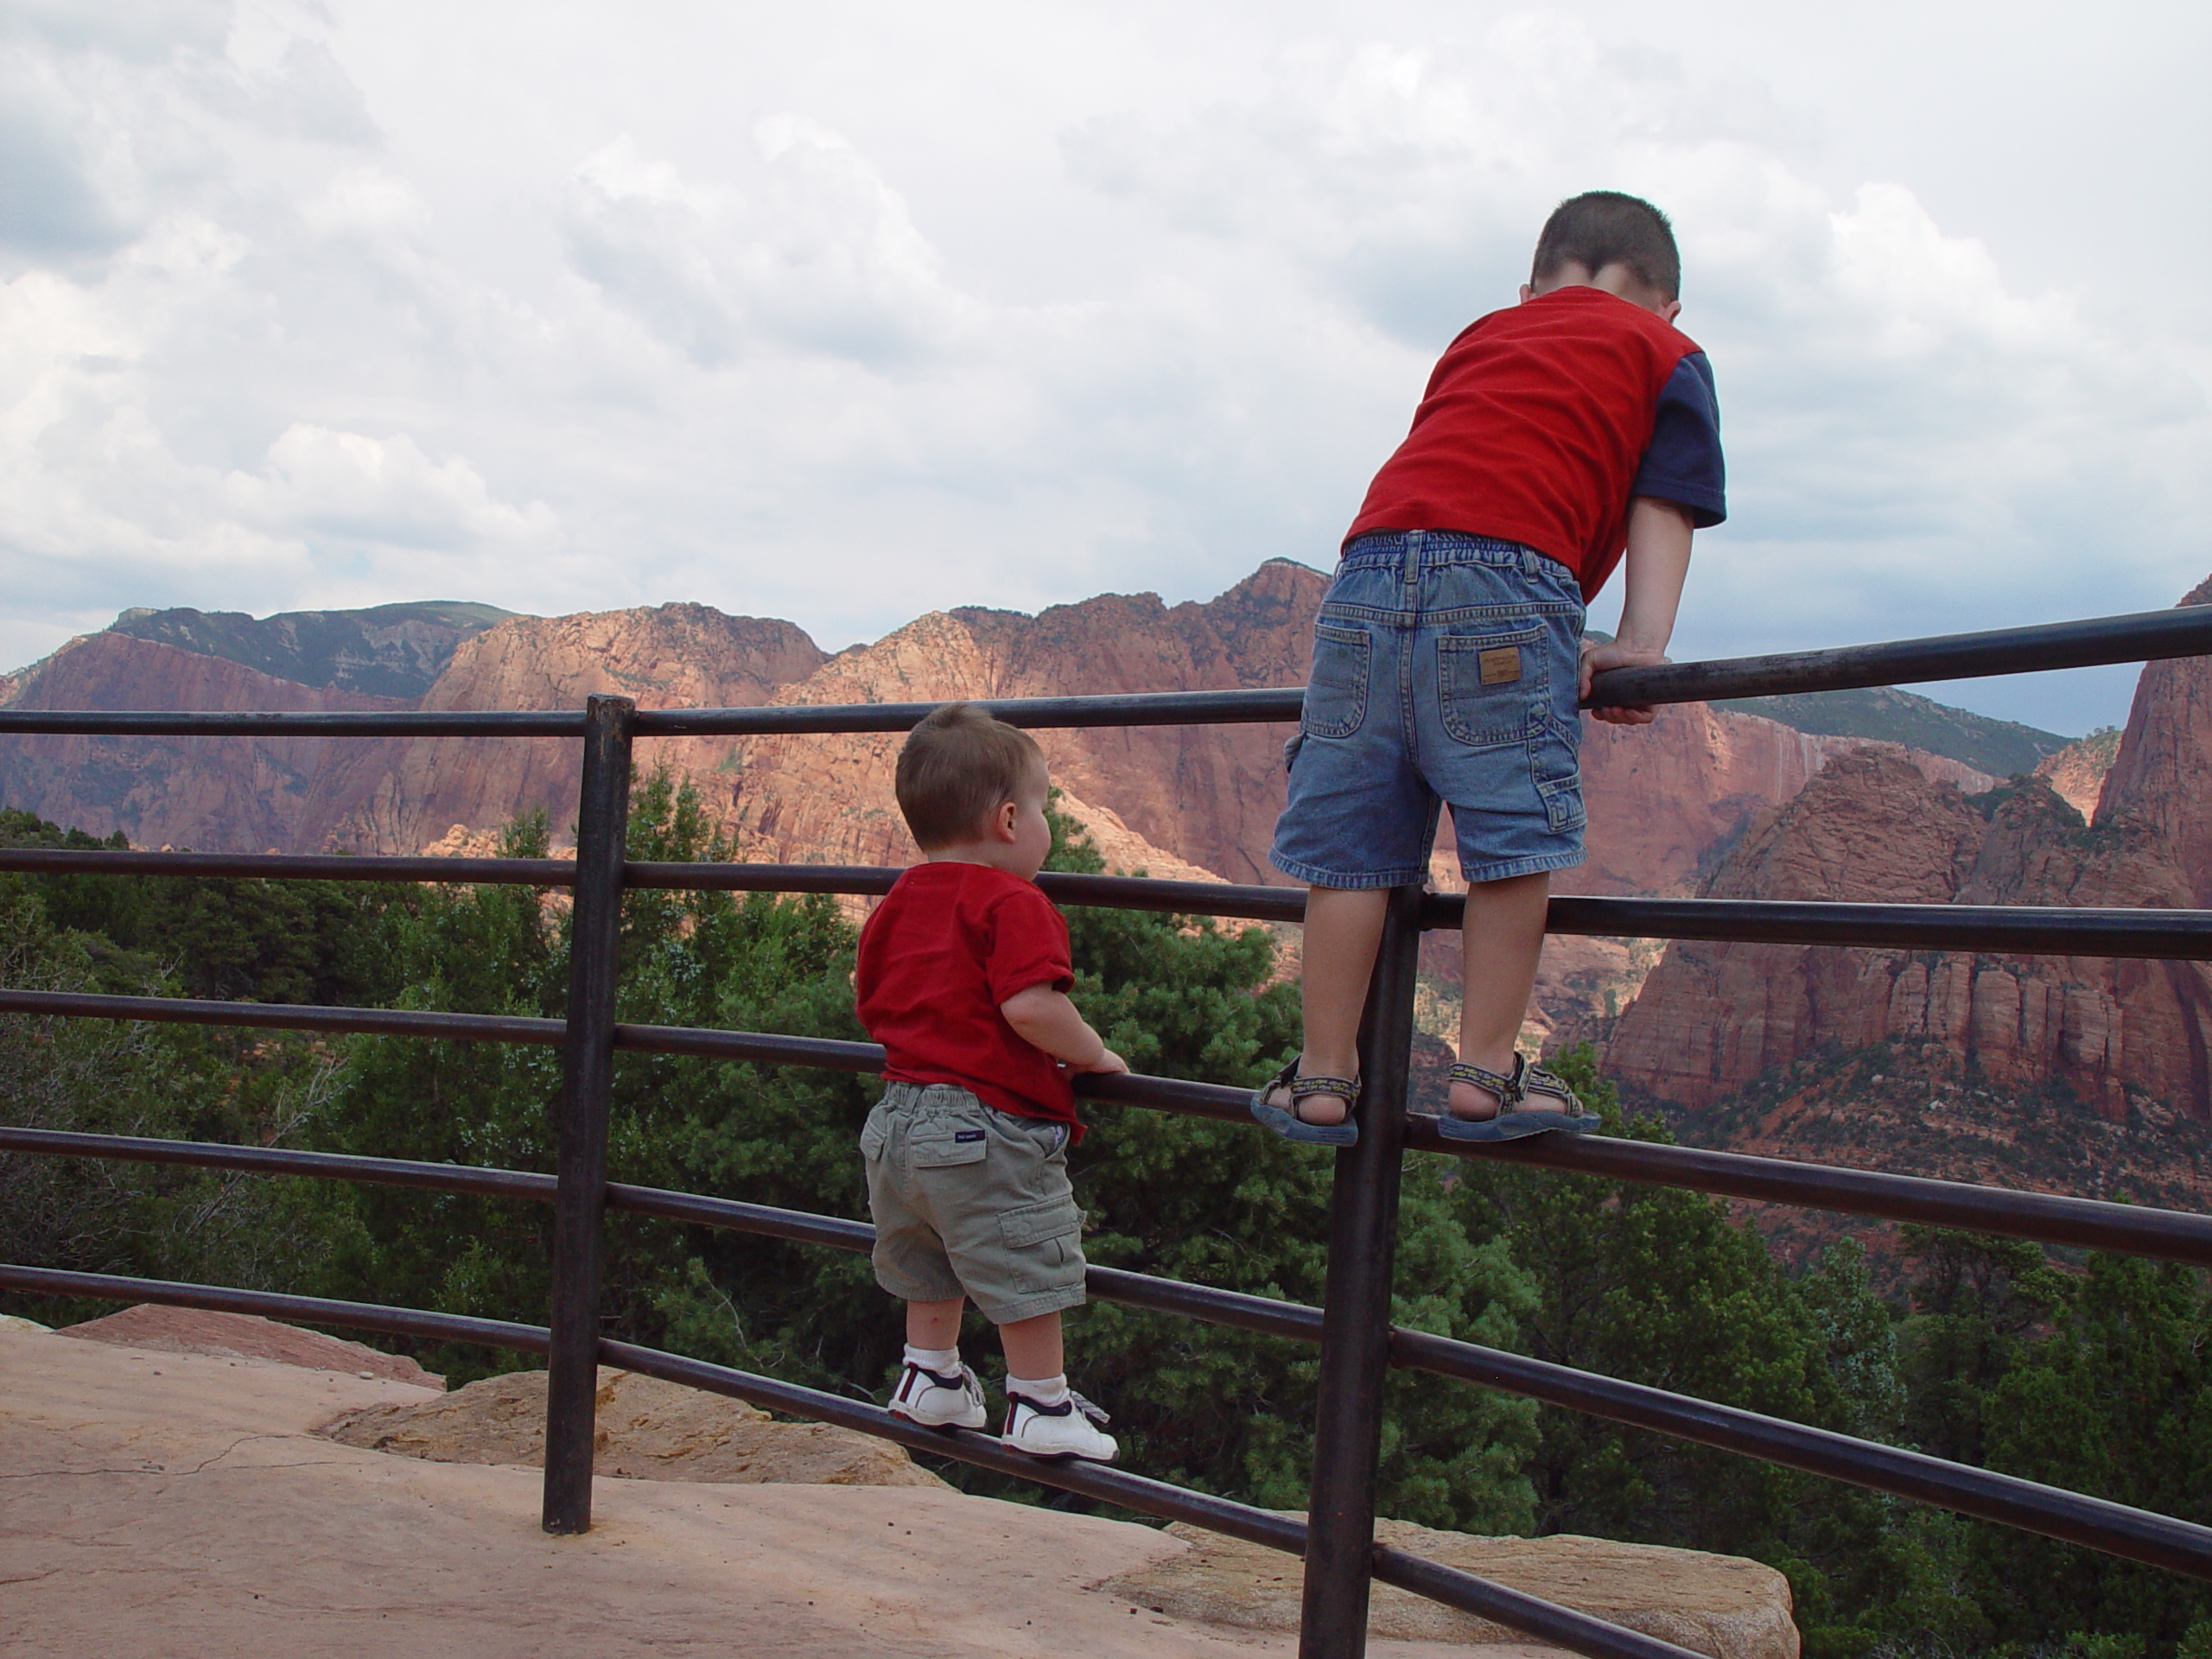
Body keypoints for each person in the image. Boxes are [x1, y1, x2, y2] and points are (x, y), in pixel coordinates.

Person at [1253, 190, 1726, 1147]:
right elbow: (1664, 505)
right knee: (1512, 840)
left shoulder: (1483, 334)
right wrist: (1637, 645)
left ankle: (1321, 1075)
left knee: (1348, 852)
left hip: (1366, 577)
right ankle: (1486, 1073)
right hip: (1506, 582)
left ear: (1529, 288)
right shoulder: (1666, 354)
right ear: (1666, 306)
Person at [855, 701, 1128, 1459]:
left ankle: (931, 1378)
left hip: (896, 1120)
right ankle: (1042, 1404)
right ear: (1010, 820)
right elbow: (1031, 1006)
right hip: (983, 1125)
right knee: (1026, 1252)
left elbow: (871, 993)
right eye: (1043, 809)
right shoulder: (1015, 901)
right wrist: (1093, 1052)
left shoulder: (900, 898)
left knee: (927, 1255)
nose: (1047, 825)